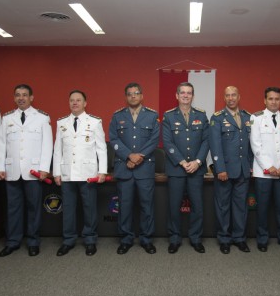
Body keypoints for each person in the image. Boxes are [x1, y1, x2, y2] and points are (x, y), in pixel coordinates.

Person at [0, 84, 52, 257]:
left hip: (33, 171)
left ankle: (33, 241)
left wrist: (44, 168)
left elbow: (47, 145)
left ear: (31, 97)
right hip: (12, 170)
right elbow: (1, 144)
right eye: (18, 95)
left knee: (34, 208)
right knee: (13, 208)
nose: (21, 98)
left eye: (25, 95)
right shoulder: (7, 118)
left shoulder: (42, 117)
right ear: (14, 98)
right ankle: (13, 241)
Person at [53, 90, 107, 257]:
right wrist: (56, 172)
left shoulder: (95, 122)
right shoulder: (61, 123)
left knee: (89, 208)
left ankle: (90, 240)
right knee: (68, 209)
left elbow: (101, 149)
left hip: (87, 173)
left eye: (78, 100)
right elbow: (57, 150)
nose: (75, 103)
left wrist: (102, 171)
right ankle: (68, 240)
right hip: (67, 172)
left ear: (85, 103)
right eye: (72, 100)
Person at [109, 83, 159, 255]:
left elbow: (154, 140)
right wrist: (129, 156)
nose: (133, 96)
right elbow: (114, 139)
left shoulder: (152, 116)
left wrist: (139, 157)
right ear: (126, 97)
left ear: (141, 96)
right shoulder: (118, 116)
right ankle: (126, 239)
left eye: (136, 93)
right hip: (125, 167)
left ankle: (147, 239)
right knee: (124, 206)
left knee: (147, 206)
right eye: (129, 94)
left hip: (145, 168)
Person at [162, 82, 209, 254]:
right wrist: (182, 161)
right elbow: (167, 142)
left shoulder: (201, 115)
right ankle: (174, 238)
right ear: (177, 95)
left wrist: (198, 161)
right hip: (176, 169)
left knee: (197, 206)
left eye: (189, 93)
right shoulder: (168, 116)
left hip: (196, 169)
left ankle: (196, 238)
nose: (186, 95)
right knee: (174, 206)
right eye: (182, 92)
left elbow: (206, 141)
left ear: (193, 96)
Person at [249, 86, 280, 253]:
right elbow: (255, 144)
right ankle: (262, 239)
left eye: (277, 99)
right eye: (270, 98)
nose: (274, 102)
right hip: (264, 173)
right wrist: (268, 166)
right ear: (265, 100)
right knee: (262, 208)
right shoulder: (256, 118)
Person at [209, 86, 253, 254]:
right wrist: (220, 168)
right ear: (224, 98)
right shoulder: (217, 117)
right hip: (225, 170)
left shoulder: (248, 117)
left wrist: (251, 165)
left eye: (234, 95)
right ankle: (224, 239)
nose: (231, 98)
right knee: (223, 206)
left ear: (239, 96)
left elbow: (252, 144)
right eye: (227, 95)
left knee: (241, 206)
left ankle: (240, 238)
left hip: (243, 169)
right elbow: (215, 145)